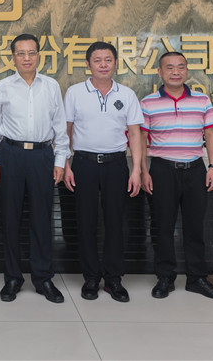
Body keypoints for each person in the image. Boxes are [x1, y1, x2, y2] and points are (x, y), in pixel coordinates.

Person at [0, 33, 70, 303]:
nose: (27, 58)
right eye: (21, 53)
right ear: (13, 57)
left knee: (42, 219)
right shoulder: (3, 86)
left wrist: (60, 161)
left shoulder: (51, 86)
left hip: (42, 155)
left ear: (39, 56)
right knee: (10, 218)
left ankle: (43, 279)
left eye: (31, 53)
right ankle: (12, 278)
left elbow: (60, 127)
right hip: (10, 154)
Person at [140, 51, 213, 300]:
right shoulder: (148, 102)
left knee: (195, 227)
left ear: (187, 71)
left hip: (195, 170)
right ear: (159, 72)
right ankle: (165, 278)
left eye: (180, 67)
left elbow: (210, 135)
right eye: (169, 67)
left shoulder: (201, 100)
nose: (175, 72)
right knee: (162, 227)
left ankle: (197, 278)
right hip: (162, 170)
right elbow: (141, 139)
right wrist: (143, 171)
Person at [63, 41, 143, 303]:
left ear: (116, 63)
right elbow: (65, 132)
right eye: (97, 60)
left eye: (108, 60)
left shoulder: (127, 94)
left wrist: (136, 170)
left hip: (116, 164)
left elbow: (135, 134)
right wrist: (66, 164)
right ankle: (90, 278)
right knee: (85, 222)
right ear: (88, 64)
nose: (103, 65)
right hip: (83, 164)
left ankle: (113, 279)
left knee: (115, 222)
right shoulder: (75, 92)